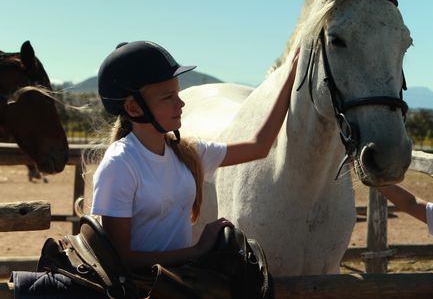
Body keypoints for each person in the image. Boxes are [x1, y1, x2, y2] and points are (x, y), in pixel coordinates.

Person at [90, 41, 299, 273]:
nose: (180, 104)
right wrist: (198, 250)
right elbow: (121, 260)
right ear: (134, 109)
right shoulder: (120, 165)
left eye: (177, 93)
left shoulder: (187, 153)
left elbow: (259, 146)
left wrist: (289, 77)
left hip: (175, 284)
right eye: (168, 97)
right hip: (142, 288)